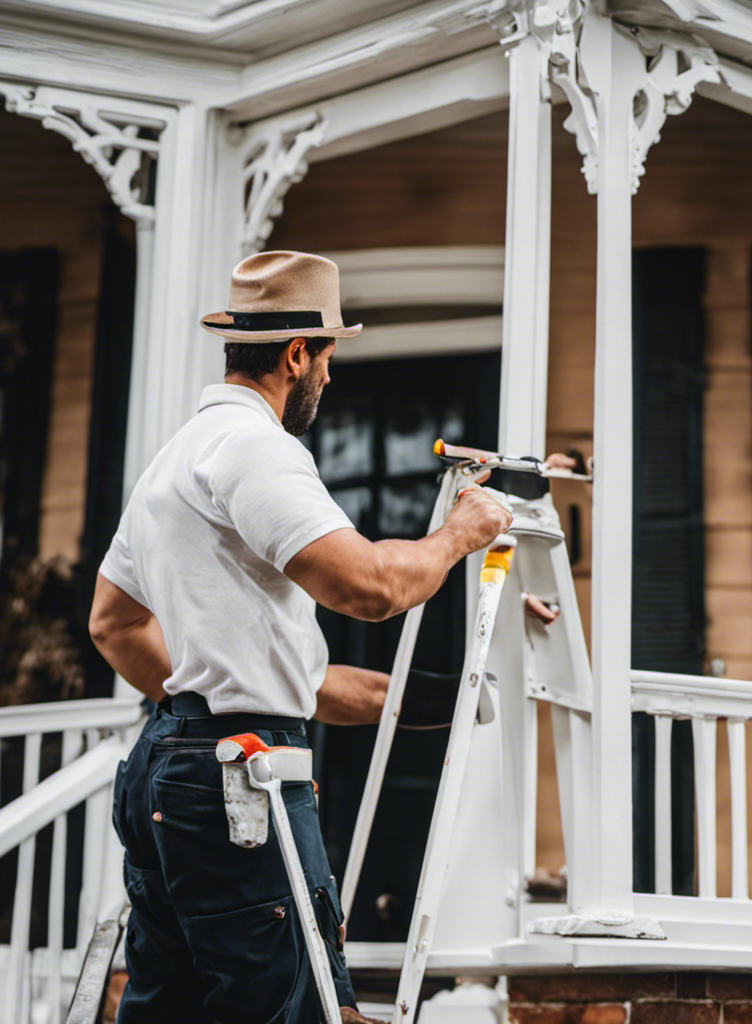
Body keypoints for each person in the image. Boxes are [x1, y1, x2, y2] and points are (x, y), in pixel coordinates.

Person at [88, 250, 512, 1024]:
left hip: (168, 766)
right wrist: (461, 532)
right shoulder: (257, 449)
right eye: (327, 357)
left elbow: (112, 626)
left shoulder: (173, 458)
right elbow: (370, 588)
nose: (329, 377)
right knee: (300, 1012)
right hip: (235, 781)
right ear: (296, 354)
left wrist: (465, 696)